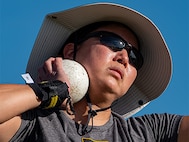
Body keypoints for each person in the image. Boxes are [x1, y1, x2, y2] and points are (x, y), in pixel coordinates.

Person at [0, 3, 188, 142]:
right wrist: (50, 91)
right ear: (69, 52)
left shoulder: (149, 133)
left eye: (135, 57)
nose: (124, 57)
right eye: (113, 42)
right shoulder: (33, 122)